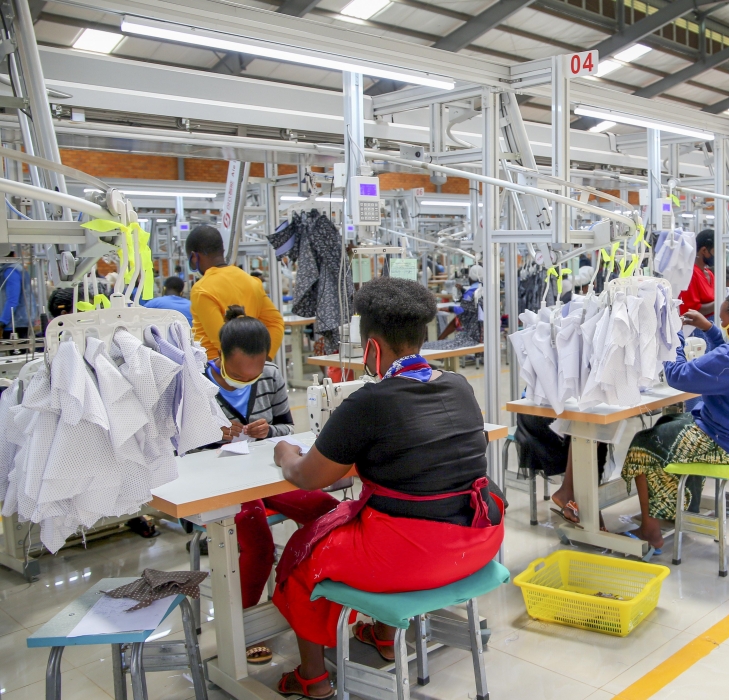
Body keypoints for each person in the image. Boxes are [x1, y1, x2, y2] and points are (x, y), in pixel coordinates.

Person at [270, 277, 504, 698]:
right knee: (381, 518)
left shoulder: (368, 403)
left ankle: (313, 679)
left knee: (302, 554)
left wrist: (284, 451)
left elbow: (307, 477)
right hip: (478, 539)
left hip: (415, 558)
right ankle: (380, 632)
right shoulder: (460, 386)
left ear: (372, 348)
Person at [204, 307, 339, 666]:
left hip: (266, 473)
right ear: (220, 357)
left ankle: (315, 600)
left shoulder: (272, 375)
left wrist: (269, 431)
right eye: (237, 376)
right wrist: (212, 435)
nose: (250, 380)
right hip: (221, 482)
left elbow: (288, 429)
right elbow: (180, 447)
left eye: (256, 372)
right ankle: (245, 627)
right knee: (257, 542)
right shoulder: (198, 385)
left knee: (327, 511)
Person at [621, 288, 729, 552]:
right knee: (666, 427)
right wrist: (712, 331)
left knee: (643, 443)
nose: (723, 326)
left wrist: (673, 337)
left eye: (725, 323)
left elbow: (678, 376)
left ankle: (651, 532)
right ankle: (680, 506)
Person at [185, 224, 284, 360]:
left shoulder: (202, 289)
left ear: (194, 257)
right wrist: (261, 361)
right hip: (248, 369)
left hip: (214, 369)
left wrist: (236, 369)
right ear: (222, 250)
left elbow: (221, 340)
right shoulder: (251, 281)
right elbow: (275, 322)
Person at [679, 229, 716, 317]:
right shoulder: (690, 274)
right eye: (716, 251)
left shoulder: (709, 273)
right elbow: (691, 310)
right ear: (704, 250)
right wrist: (721, 303)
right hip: (695, 328)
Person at [0, 253, 28, 339]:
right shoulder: (15, 269)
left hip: (14, 324)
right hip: (16, 322)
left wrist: (2, 322)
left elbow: (12, 300)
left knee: (17, 351)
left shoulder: (11, 271)